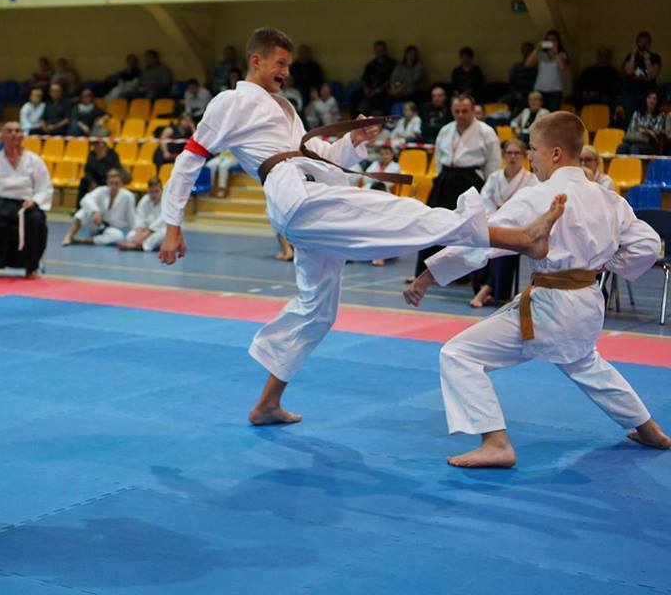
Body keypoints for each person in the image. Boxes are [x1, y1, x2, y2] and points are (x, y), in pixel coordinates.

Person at [158, 26, 566, 427]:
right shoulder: (231, 101)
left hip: (310, 194)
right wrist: (172, 223)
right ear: (256, 60)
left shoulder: (285, 108)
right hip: (299, 199)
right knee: (404, 214)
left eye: (289, 65)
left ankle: (266, 404)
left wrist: (356, 140)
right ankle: (521, 238)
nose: (286, 72)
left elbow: (320, 156)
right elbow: (190, 158)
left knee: (317, 310)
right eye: (279, 63)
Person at [405, 111, 669, 467]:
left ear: (555, 153)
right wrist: (609, 264)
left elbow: (483, 239)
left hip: (549, 305)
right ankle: (649, 429)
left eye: (533, 149)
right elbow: (648, 245)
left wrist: (428, 275)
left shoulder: (537, 196)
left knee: (458, 354)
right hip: (589, 301)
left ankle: (495, 442)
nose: (531, 157)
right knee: (585, 363)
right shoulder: (610, 199)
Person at [413, 94, 501, 278]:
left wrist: (488, 189)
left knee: (469, 229)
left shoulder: (486, 132)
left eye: (465, 111)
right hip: (446, 178)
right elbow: (439, 159)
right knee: (434, 224)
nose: (460, 115)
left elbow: (493, 163)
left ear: (473, 111)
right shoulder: (446, 130)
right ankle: (425, 273)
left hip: (471, 180)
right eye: (457, 111)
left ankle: (468, 275)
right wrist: (440, 177)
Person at [0, 121, 53, 279]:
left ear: (22, 136)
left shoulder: (34, 161)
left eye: (17, 130)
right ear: (2, 136)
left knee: (36, 220)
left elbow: (45, 188)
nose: (14, 134)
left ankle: (30, 268)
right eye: (9, 131)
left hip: (24, 206)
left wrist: (35, 200)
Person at [467, 138, 538, 307]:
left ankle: (486, 291)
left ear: (524, 155)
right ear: (504, 155)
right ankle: (482, 288)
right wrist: (493, 217)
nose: (513, 157)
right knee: (479, 244)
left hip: (516, 225)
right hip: (493, 220)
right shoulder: (494, 177)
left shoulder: (531, 179)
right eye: (509, 153)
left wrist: (509, 218)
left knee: (505, 248)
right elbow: (484, 199)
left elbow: (530, 206)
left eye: (517, 153)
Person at [63, 168, 135, 246]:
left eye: (117, 183)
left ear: (121, 183)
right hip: (96, 224)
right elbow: (85, 199)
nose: (114, 186)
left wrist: (136, 231)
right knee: (83, 212)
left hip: (111, 229)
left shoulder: (128, 196)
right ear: (107, 182)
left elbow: (131, 217)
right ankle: (68, 237)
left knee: (118, 236)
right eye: (111, 183)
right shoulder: (101, 191)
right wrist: (95, 211)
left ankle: (84, 241)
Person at [117, 177, 165, 252]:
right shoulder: (145, 200)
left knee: (162, 235)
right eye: (151, 192)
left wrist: (143, 236)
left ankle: (137, 246)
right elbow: (139, 218)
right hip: (145, 230)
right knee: (130, 236)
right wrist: (138, 234)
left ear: (162, 190)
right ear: (148, 191)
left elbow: (160, 222)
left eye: (156, 191)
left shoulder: (166, 202)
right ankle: (139, 244)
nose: (154, 194)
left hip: (161, 230)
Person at [621, 31, 662, 116]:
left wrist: (647, 59)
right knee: (630, 118)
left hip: (647, 93)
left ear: (649, 44)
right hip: (630, 93)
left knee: (646, 118)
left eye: (645, 42)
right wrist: (633, 55)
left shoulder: (655, 57)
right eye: (640, 42)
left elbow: (652, 75)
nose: (643, 45)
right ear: (637, 43)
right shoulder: (630, 56)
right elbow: (628, 72)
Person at [526, 30, 569, 111]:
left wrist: (555, 52)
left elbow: (563, 67)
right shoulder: (541, 54)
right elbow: (528, 64)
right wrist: (537, 49)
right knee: (538, 113)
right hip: (539, 89)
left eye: (553, 40)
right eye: (548, 40)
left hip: (555, 91)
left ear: (558, 41)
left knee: (552, 114)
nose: (551, 42)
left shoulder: (561, 54)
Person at [76, 137, 125, 207]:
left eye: (100, 146)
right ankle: (80, 206)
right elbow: (87, 171)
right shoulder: (92, 155)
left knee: (111, 181)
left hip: (107, 178)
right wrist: (92, 181)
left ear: (105, 147)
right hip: (94, 179)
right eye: (96, 146)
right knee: (83, 181)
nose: (98, 148)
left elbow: (113, 171)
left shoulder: (113, 155)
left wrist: (102, 159)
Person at [617, 89, 665, 155]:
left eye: (654, 99)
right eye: (649, 98)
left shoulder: (660, 115)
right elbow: (631, 129)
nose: (651, 101)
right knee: (622, 147)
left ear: (657, 101)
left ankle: (635, 162)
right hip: (634, 140)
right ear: (646, 99)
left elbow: (655, 133)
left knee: (634, 148)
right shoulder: (637, 113)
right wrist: (647, 131)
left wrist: (643, 129)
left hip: (650, 144)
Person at [358, 40, 397, 115]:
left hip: (383, 90)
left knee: (381, 98)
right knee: (356, 95)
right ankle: (358, 118)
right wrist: (366, 88)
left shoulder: (392, 63)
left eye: (381, 50)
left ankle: (376, 117)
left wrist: (378, 90)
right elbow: (364, 78)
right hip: (370, 89)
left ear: (385, 50)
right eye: (377, 50)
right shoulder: (370, 64)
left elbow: (390, 80)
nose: (379, 52)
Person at [506, 42, 538, 112]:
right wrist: (516, 93)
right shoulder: (516, 67)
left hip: (531, 95)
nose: (526, 52)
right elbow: (511, 82)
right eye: (525, 50)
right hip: (518, 94)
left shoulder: (536, 68)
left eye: (529, 50)